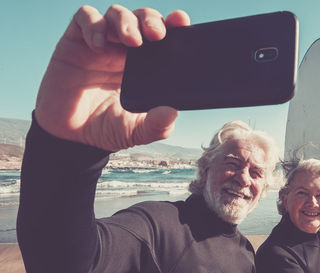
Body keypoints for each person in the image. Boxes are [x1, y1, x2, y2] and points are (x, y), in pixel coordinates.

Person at [16, 4, 281, 273]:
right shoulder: (158, 225)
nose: (244, 178)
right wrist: (67, 150)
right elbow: (65, 263)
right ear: (205, 168)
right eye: (233, 163)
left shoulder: (247, 253)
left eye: (257, 172)